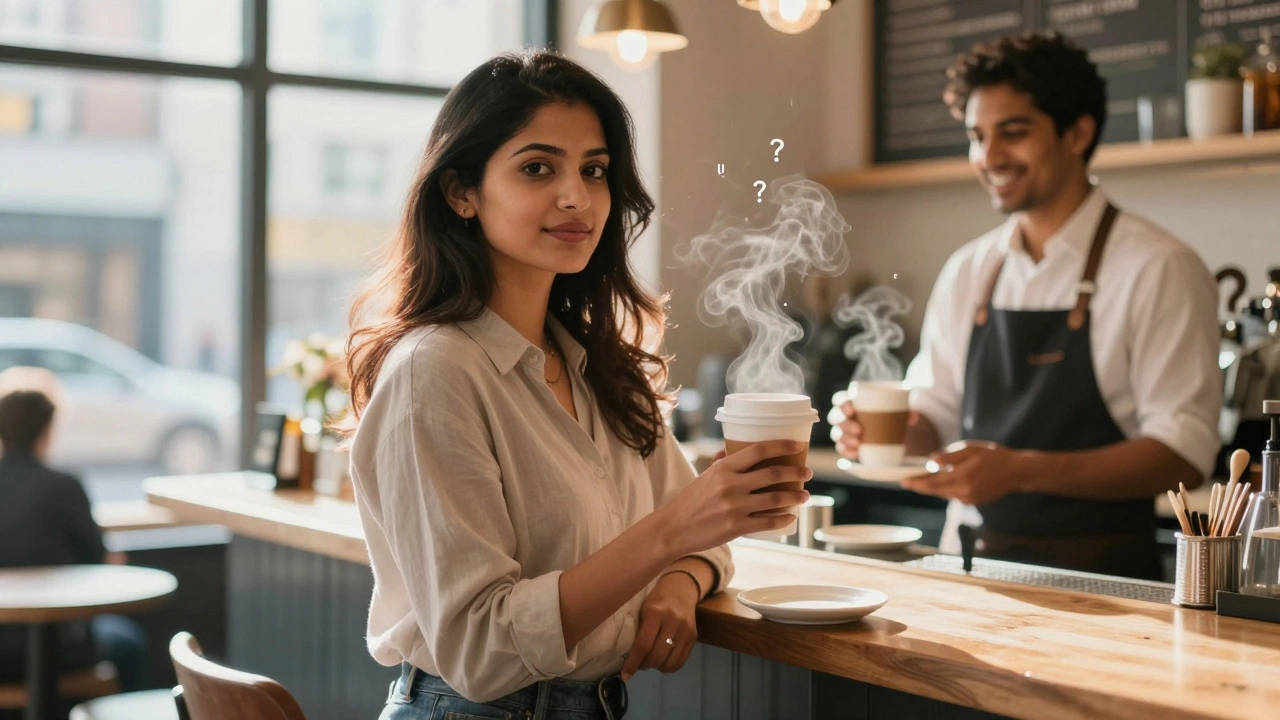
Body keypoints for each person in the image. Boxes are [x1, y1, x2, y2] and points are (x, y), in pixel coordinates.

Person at [343, 50, 809, 720]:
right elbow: (480, 649)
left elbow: (702, 533)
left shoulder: (599, 370)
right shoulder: (435, 372)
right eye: (538, 168)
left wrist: (681, 578)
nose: (577, 196)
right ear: (461, 192)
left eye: (594, 170)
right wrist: (673, 533)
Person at [834, 32, 1221, 580]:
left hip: (1105, 586)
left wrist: (1019, 471)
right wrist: (880, 435)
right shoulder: (970, 270)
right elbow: (936, 419)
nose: (989, 157)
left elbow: (1181, 454)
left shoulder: (1159, 267)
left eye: (1013, 133)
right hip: (967, 571)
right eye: (976, 136)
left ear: (1078, 133)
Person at [0, 368, 150, 692]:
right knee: (128, 643)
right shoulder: (64, 487)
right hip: (58, 645)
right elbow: (101, 562)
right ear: (47, 429)